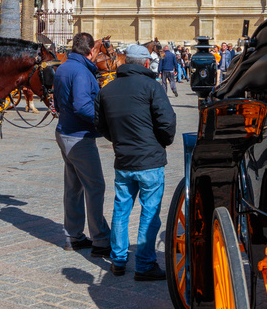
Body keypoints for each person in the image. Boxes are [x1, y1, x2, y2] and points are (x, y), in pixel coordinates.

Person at [96, 42, 177, 280]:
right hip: (149, 160)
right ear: (145, 63)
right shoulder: (151, 86)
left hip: (124, 160)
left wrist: (118, 141)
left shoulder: (107, 90)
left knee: (121, 209)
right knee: (149, 213)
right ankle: (144, 264)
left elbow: (101, 125)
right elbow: (167, 122)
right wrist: (162, 141)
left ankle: (118, 260)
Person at [53, 32, 111, 255]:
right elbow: (82, 105)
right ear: (91, 51)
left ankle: (74, 235)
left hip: (65, 132)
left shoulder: (65, 67)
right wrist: (103, 119)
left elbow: (58, 102)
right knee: (95, 187)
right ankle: (100, 239)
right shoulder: (80, 72)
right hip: (79, 137)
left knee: (74, 187)